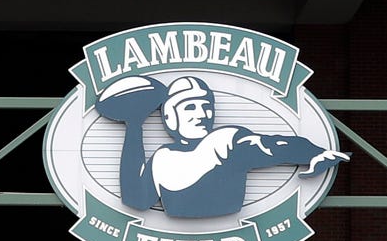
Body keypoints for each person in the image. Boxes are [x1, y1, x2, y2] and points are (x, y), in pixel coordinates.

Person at [93, 72, 341, 220]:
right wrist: (134, 124)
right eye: (190, 107)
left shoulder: (226, 140)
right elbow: (136, 199)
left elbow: (273, 145)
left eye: (206, 106)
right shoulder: (162, 158)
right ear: (169, 117)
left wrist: (313, 153)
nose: (201, 113)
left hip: (228, 215)